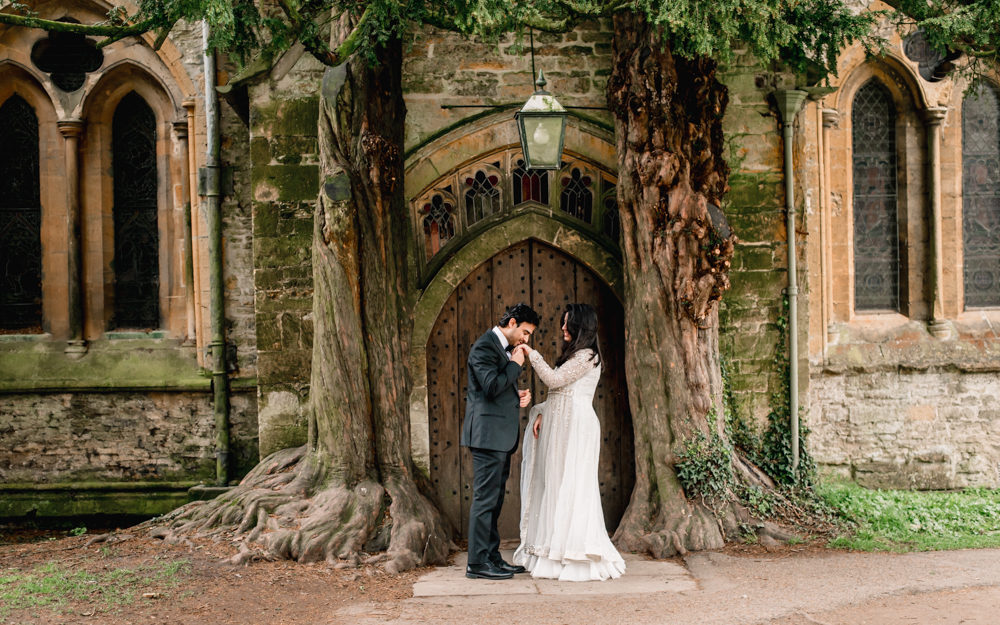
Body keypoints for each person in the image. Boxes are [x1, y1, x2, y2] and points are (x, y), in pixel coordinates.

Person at [513, 303, 626, 581]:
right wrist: (542, 412)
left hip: (575, 427)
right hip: (560, 424)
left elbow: (554, 380)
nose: (563, 327)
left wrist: (531, 353)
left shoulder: (587, 355)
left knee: (571, 484)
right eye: (563, 323)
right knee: (555, 482)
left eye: (568, 323)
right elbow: (561, 392)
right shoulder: (576, 355)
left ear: (581, 327)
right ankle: (553, 550)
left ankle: (574, 553)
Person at [461, 303, 539, 580]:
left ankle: (491, 557)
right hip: (487, 437)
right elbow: (492, 385)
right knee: (485, 500)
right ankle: (477, 564)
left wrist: (515, 397)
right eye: (526, 333)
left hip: (499, 437)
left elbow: (493, 391)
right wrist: (515, 365)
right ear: (512, 322)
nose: (526, 340)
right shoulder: (484, 346)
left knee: (493, 501)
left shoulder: (498, 348)